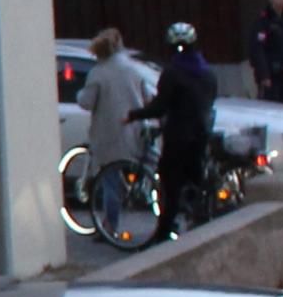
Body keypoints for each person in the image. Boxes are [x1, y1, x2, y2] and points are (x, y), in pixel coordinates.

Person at [132, 21, 218, 232]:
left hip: (178, 136)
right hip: (201, 133)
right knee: (195, 179)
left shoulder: (172, 73)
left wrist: (135, 114)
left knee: (171, 185)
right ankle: (199, 218)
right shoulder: (208, 73)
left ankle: (165, 231)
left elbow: (160, 107)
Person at [79, 27, 152, 237]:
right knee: (141, 168)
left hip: (108, 134)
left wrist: (78, 94)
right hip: (134, 130)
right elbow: (147, 97)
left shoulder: (98, 73)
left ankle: (110, 226)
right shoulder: (134, 69)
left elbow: (86, 102)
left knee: (110, 180)